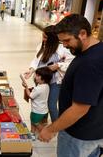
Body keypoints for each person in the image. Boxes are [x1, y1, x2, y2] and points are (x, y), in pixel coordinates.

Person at [38, 14, 103, 157]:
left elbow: (79, 109)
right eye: (62, 42)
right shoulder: (97, 51)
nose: (65, 46)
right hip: (94, 131)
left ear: (83, 34)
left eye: (67, 40)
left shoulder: (89, 64)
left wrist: (50, 129)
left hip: (79, 136)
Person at [24, 25, 74, 122]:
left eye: (45, 37)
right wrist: (31, 70)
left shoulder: (62, 49)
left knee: (51, 105)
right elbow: (36, 60)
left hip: (54, 82)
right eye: (43, 36)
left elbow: (71, 64)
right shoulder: (41, 46)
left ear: (52, 38)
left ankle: (56, 125)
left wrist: (58, 65)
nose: (43, 39)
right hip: (40, 80)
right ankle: (43, 122)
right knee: (41, 102)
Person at [22, 67, 53, 136]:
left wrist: (26, 87)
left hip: (37, 111)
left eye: (38, 76)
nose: (35, 76)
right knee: (34, 122)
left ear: (44, 79)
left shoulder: (38, 89)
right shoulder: (46, 86)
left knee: (35, 122)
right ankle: (32, 133)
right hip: (44, 110)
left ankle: (45, 133)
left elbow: (30, 96)